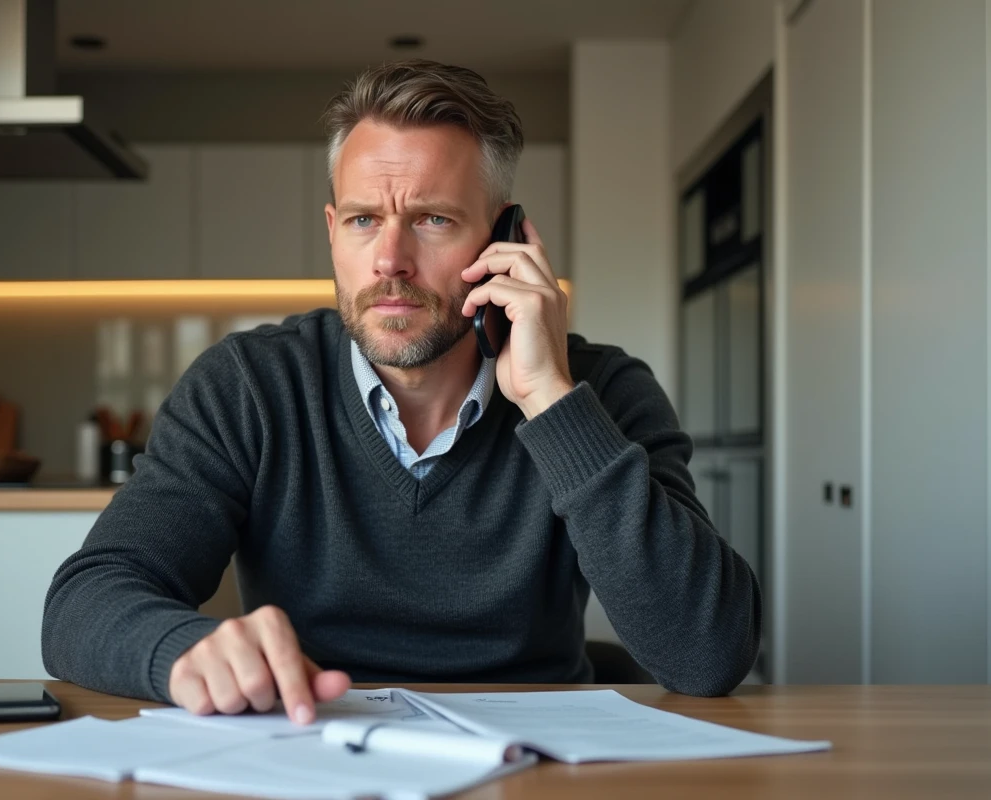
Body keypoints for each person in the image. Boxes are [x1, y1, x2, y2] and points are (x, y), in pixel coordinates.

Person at [42, 59, 761, 725]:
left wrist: (549, 398)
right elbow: (84, 602)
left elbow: (707, 655)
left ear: (505, 237)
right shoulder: (249, 387)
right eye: (363, 220)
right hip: (312, 750)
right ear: (333, 233)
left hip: (536, 763)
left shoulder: (601, 391)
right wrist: (182, 651)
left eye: (432, 220)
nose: (390, 260)